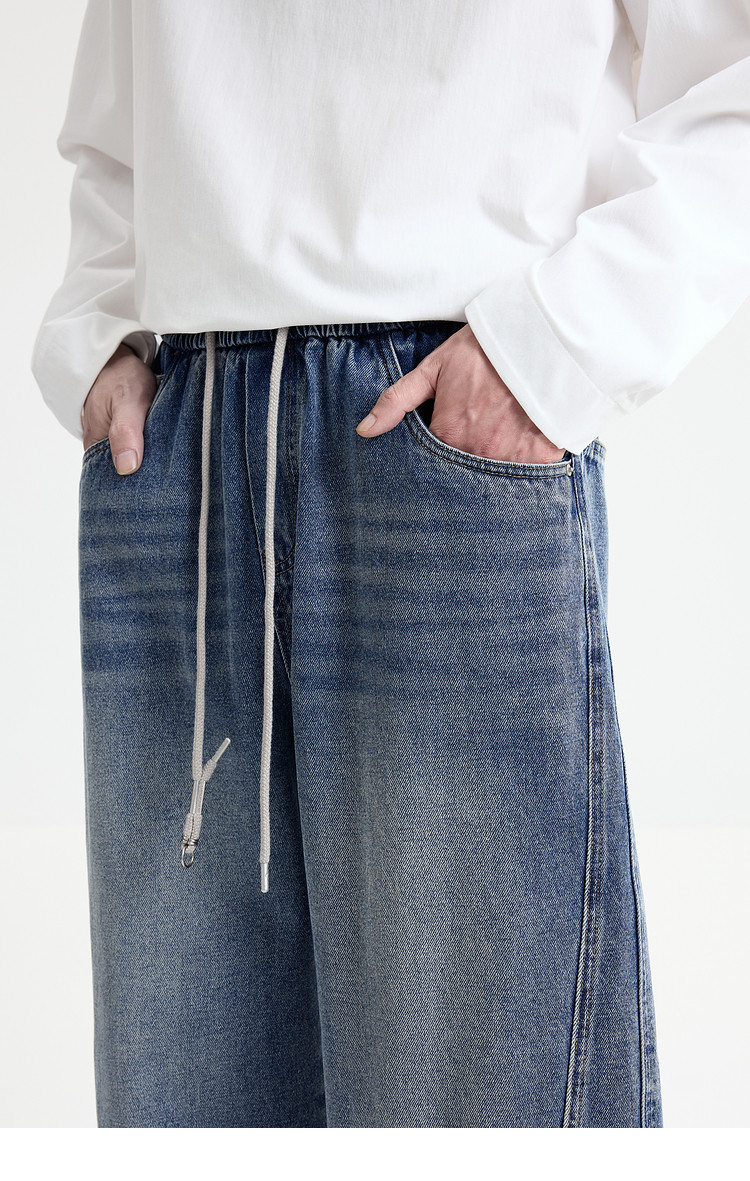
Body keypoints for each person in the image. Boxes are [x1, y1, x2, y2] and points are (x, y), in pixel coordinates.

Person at [30, 0, 750, 1129]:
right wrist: (98, 328)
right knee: (186, 1106)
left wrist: (562, 343)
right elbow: (117, 106)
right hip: (188, 425)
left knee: (482, 1108)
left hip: (438, 424)